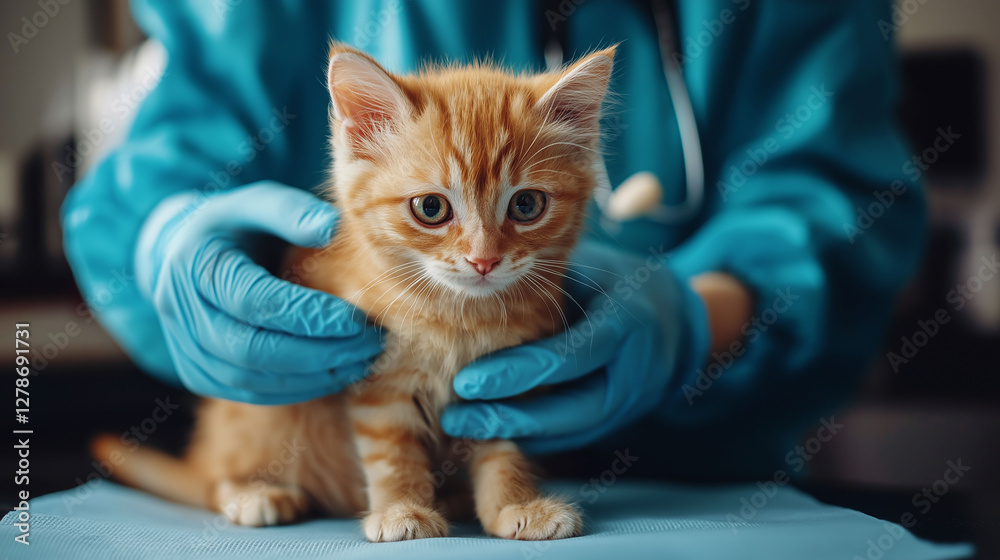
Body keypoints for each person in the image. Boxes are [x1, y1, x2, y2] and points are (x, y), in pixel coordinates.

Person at [62, 0, 924, 480]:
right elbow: (171, 154)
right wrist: (162, 239)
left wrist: (700, 319)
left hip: (700, 478)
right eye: (436, 211)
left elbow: (842, 192)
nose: (481, 253)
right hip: (347, 469)